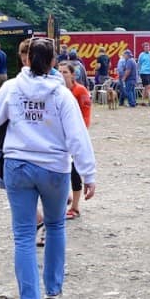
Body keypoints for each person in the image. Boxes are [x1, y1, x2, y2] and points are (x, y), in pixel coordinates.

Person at [0, 37, 96, 299]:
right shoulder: (61, 95)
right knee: (56, 226)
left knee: (23, 235)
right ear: (54, 62)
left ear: (28, 59)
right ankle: (54, 289)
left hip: (18, 164)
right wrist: (88, 173)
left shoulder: (11, 88)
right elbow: (77, 136)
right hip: (54, 168)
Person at [58, 60, 92, 220]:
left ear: (72, 74)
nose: (62, 75)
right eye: (59, 71)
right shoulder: (56, 91)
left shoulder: (80, 91)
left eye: (65, 72)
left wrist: (78, 134)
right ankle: (66, 196)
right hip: (58, 138)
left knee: (74, 172)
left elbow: (85, 116)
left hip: (74, 136)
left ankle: (75, 207)